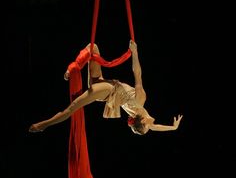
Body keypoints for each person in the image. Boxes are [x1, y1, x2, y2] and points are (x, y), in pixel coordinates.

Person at [29, 40, 183, 135]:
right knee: (93, 47)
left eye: (147, 127)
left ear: (143, 121)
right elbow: (156, 127)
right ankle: (73, 68)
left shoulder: (140, 100)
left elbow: (137, 73)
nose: (151, 125)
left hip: (108, 90)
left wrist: (135, 53)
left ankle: (43, 125)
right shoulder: (139, 106)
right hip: (104, 82)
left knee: (71, 109)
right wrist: (172, 128)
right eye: (148, 128)